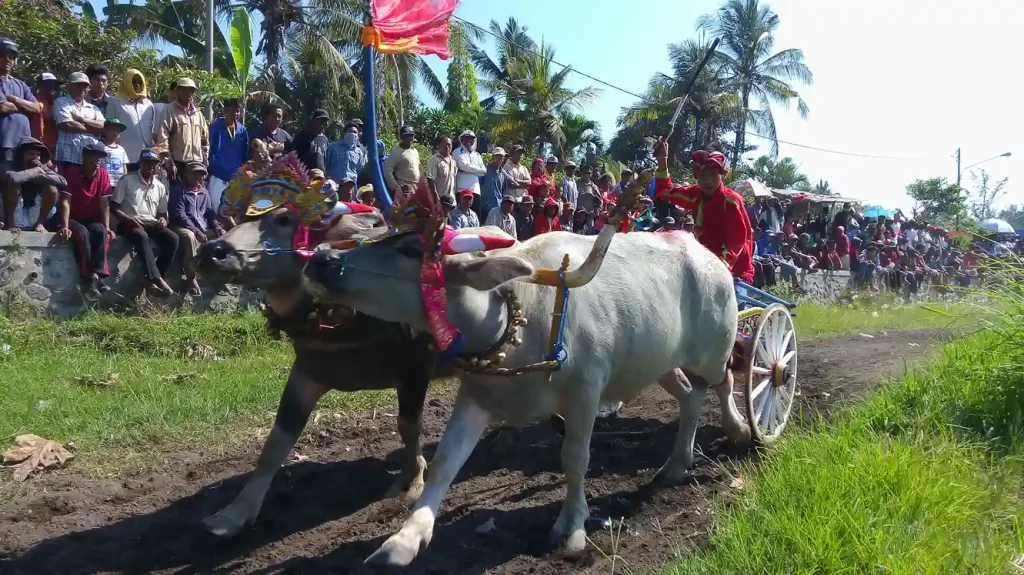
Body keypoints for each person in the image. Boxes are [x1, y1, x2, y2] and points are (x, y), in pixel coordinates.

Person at [653, 139, 754, 284]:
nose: (707, 180)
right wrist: (662, 160)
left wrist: (718, 267)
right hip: (705, 267)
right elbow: (665, 191)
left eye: (712, 174)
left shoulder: (730, 201)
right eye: (702, 175)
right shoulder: (695, 194)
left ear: (722, 174)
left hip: (734, 272)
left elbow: (736, 241)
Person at [110, 147, 177, 297]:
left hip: (150, 223)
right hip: (128, 222)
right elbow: (113, 206)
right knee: (140, 235)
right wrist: (128, 219)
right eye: (147, 163)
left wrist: (162, 221)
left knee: (173, 238)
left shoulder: (160, 186)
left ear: (158, 165)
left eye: (153, 164)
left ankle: (151, 278)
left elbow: (162, 214)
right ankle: (157, 279)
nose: (150, 167)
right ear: (141, 163)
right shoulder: (127, 180)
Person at [56, 142, 114, 297]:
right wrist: (65, 226)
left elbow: (104, 204)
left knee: (101, 232)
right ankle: (90, 278)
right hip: (73, 217)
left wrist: (107, 226)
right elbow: (65, 201)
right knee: (82, 235)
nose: (97, 161)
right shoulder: (71, 172)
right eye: (94, 157)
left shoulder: (103, 174)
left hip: (91, 218)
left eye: (100, 158)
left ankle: (97, 275)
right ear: (84, 157)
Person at [169, 161, 222, 296]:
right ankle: (191, 277)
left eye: (200, 174)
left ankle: (218, 273)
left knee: (222, 236)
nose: (197, 177)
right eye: (194, 173)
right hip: (181, 227)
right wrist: (195, 230)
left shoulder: (204, 192)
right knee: (190, 237)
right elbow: (179, 215)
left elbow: (210, 213)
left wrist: (217, 226)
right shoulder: (178, 191)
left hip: (202, 227)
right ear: (186, 174)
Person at [1, 137, 64, 232]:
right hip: (12, 213)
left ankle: (40, 223)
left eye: (38, 155)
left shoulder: (42, 168)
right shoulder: (8, 165)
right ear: (22, 155)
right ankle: (10, 224)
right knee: (14, 185)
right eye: (31, 154)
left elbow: (62, 180)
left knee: (52, 189)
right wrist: (34, 171)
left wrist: (41, 175)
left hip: (34, 213)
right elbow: (13, 178)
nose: (35, 158)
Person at [153, 77, 208, 181]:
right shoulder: (169, 110)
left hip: (197, 163)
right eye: (185, 90)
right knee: (179, 195)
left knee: (196, 194)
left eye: (192, 90)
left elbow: (205, 140)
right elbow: (162, 137)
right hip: (179, 164)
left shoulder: (198, 114)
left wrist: (204, 158)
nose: (189, 93)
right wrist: (168, 161)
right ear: (178, 90)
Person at [1, 39, 40, 175]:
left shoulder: (20, 84)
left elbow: (37, 108)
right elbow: (3, 108)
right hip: (4, 142)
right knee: (7, 178)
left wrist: (16, 100)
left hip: (24, 144)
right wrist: (25, 106)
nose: (8, 60)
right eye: (3, 56)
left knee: (22, 182)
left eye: (11, 57)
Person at [107, 69, 155, 173]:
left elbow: (152, 128)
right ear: (126, 83)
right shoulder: (115, 102)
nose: (137, 85)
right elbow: (109, 128)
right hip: (125, 156)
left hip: (146, 157)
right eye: (133, 82)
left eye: (140, 82)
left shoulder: (148, 105)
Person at [53, 71, 104, 168]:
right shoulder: (61, 102)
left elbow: (103, 126)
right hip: (67, 157)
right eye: (78, 85)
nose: (82, 88)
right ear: (70, 86)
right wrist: (93, 128)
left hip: (91, 158)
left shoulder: (93, 108)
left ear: (88, 88)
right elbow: (67, 124)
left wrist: (82, 120)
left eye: (85, 86)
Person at [207, 97, 249, 211]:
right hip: (218, 175)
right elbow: (209, 147)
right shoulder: (215, 126)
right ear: (225, 111)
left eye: (238, 111)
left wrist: (242, 170)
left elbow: (245, 153)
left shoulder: (242, 130)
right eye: (232, 111)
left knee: (233, 210)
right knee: (216, 207)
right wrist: (212, 166)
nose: (235, 114)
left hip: (235, 177)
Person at [452, 129, 486, 215]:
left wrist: (469, 169)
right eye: (466, 138)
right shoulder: (457, 152)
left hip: (475, 190)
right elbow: (463, 165)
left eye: (471, 139)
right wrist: (476, 170)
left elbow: (484, 171)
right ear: (461, 140)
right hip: (461, 189)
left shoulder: (477, 155)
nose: (469, 141)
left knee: (476, 217)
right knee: (460, 216)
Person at [325, 120, 367, 186]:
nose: (353, 134)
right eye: (350, 132)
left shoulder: (359, 152)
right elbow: (326, 163)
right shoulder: (332, 147)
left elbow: (360, 169)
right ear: (344, 133)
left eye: (355, 132)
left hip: (351, 186)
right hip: (334, 184)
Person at [383, 125, 421, 198]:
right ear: (401, 137)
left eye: (411, 135)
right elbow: (387, 170)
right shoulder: (396, 151)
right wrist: (396, 187)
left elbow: (418, 169)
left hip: (415, 190)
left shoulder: (415, 151)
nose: (410, 138)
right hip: (404, 190)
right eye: (407, 136)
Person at [31, 73, 61, 157]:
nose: (52, 89)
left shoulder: (57, 103)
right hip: (41, 145)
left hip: (56, 146)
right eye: (48, 85)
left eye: (54, 86)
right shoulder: (34, 103)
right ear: (40, 87)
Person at [425, 136, 457, 202]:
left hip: (451, 199)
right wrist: (436, 198)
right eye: (445, 144)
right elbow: (431, 180)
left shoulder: (453, 161)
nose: (447, 147)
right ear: (439, 146)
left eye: (449, 145)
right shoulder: (434, 159)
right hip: (439, 199)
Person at [480, 146, 508, 216]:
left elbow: (504, 191)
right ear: (493, 156)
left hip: (498, 208)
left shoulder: (504, 174)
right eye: (498, 156)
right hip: (485, 208)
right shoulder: (485, 170)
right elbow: (479, 186)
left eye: (502, 156)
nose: (500, 158)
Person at [100, 118, 129, 186]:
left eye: (118, 130)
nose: (115, 132)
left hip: (119, 183)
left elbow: (124, 166)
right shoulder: (100, 146)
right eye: (112, 129)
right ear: (105, 130)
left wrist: (125, 180)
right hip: (104, 183)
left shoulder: (121, 149)